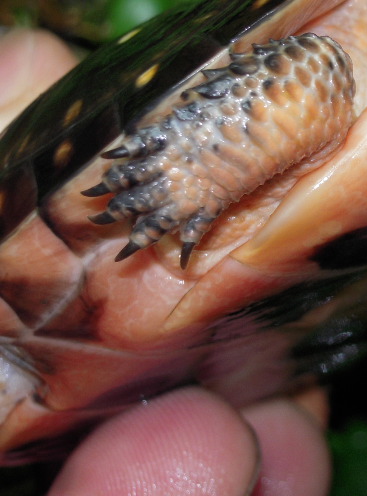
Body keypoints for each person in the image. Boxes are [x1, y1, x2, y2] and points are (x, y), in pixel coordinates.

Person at [0, 29, 332, 496]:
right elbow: (315, 62)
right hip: (77, 383)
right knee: (314, 68)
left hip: (226, 357)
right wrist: (193, 161)